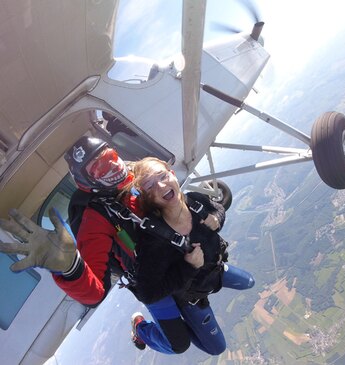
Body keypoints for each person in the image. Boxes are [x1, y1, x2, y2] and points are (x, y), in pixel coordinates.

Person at [125, 157, 255, 355]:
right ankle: (143, 331)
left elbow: (217, 207)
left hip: (215, 270)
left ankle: (213, 277)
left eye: (162, 175)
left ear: (172, 174)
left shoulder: (193, 200)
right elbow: (147, 293)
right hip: (192, 297)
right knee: (217, 348)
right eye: (150, 185)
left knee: (249, 282)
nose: (161, 185)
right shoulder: (154, 240)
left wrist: (218, 218)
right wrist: (188, 267)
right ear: (147, 197)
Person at [0, 136, 139, 307]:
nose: (114, 165)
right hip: (158, 281)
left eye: (111, 156)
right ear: (88, 181)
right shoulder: (96, 219)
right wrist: (72, 268)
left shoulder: (143, 173)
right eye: (99, 167)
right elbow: (95, 293)